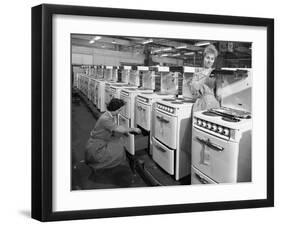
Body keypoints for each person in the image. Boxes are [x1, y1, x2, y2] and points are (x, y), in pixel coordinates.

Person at [85, 98, 141, 172]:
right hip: (96, 146)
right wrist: (133, 129)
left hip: (99, 141)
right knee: (119, 149)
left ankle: (98, 165)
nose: (119, 112)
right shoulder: (105, 119)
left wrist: (124, 130)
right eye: (119, 110)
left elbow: (115, 127)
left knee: (117, 142)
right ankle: (98, 166)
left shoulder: (108, 114)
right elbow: (118, 128)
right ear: (114, 109)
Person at [190, 44, 221, 113]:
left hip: (213, 104)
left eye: (212, 59)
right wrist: (206, 75)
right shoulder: (197, 73)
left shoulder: (216, 73)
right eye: (208, 57)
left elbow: (219, 95)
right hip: (200, 104)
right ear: (204, 57)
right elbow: (194, 89)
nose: (209, 61)